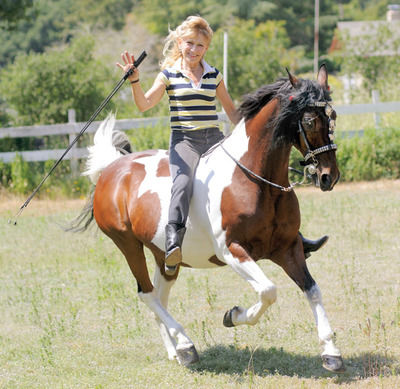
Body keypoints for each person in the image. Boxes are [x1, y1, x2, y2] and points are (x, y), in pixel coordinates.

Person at [117, 16, 327, 276]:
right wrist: (135, 81)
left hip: (214, 139)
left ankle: (292, 235)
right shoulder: (168, 75)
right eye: (190, 43)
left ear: (206, 49)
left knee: (251, 179)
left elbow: (232, 112)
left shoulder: (214, 75)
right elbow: (144, 104)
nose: (194, 50)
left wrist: (256, 138)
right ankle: (173, 242)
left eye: (200, 46)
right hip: (185, 143)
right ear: (180, 43)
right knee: (182, 184)